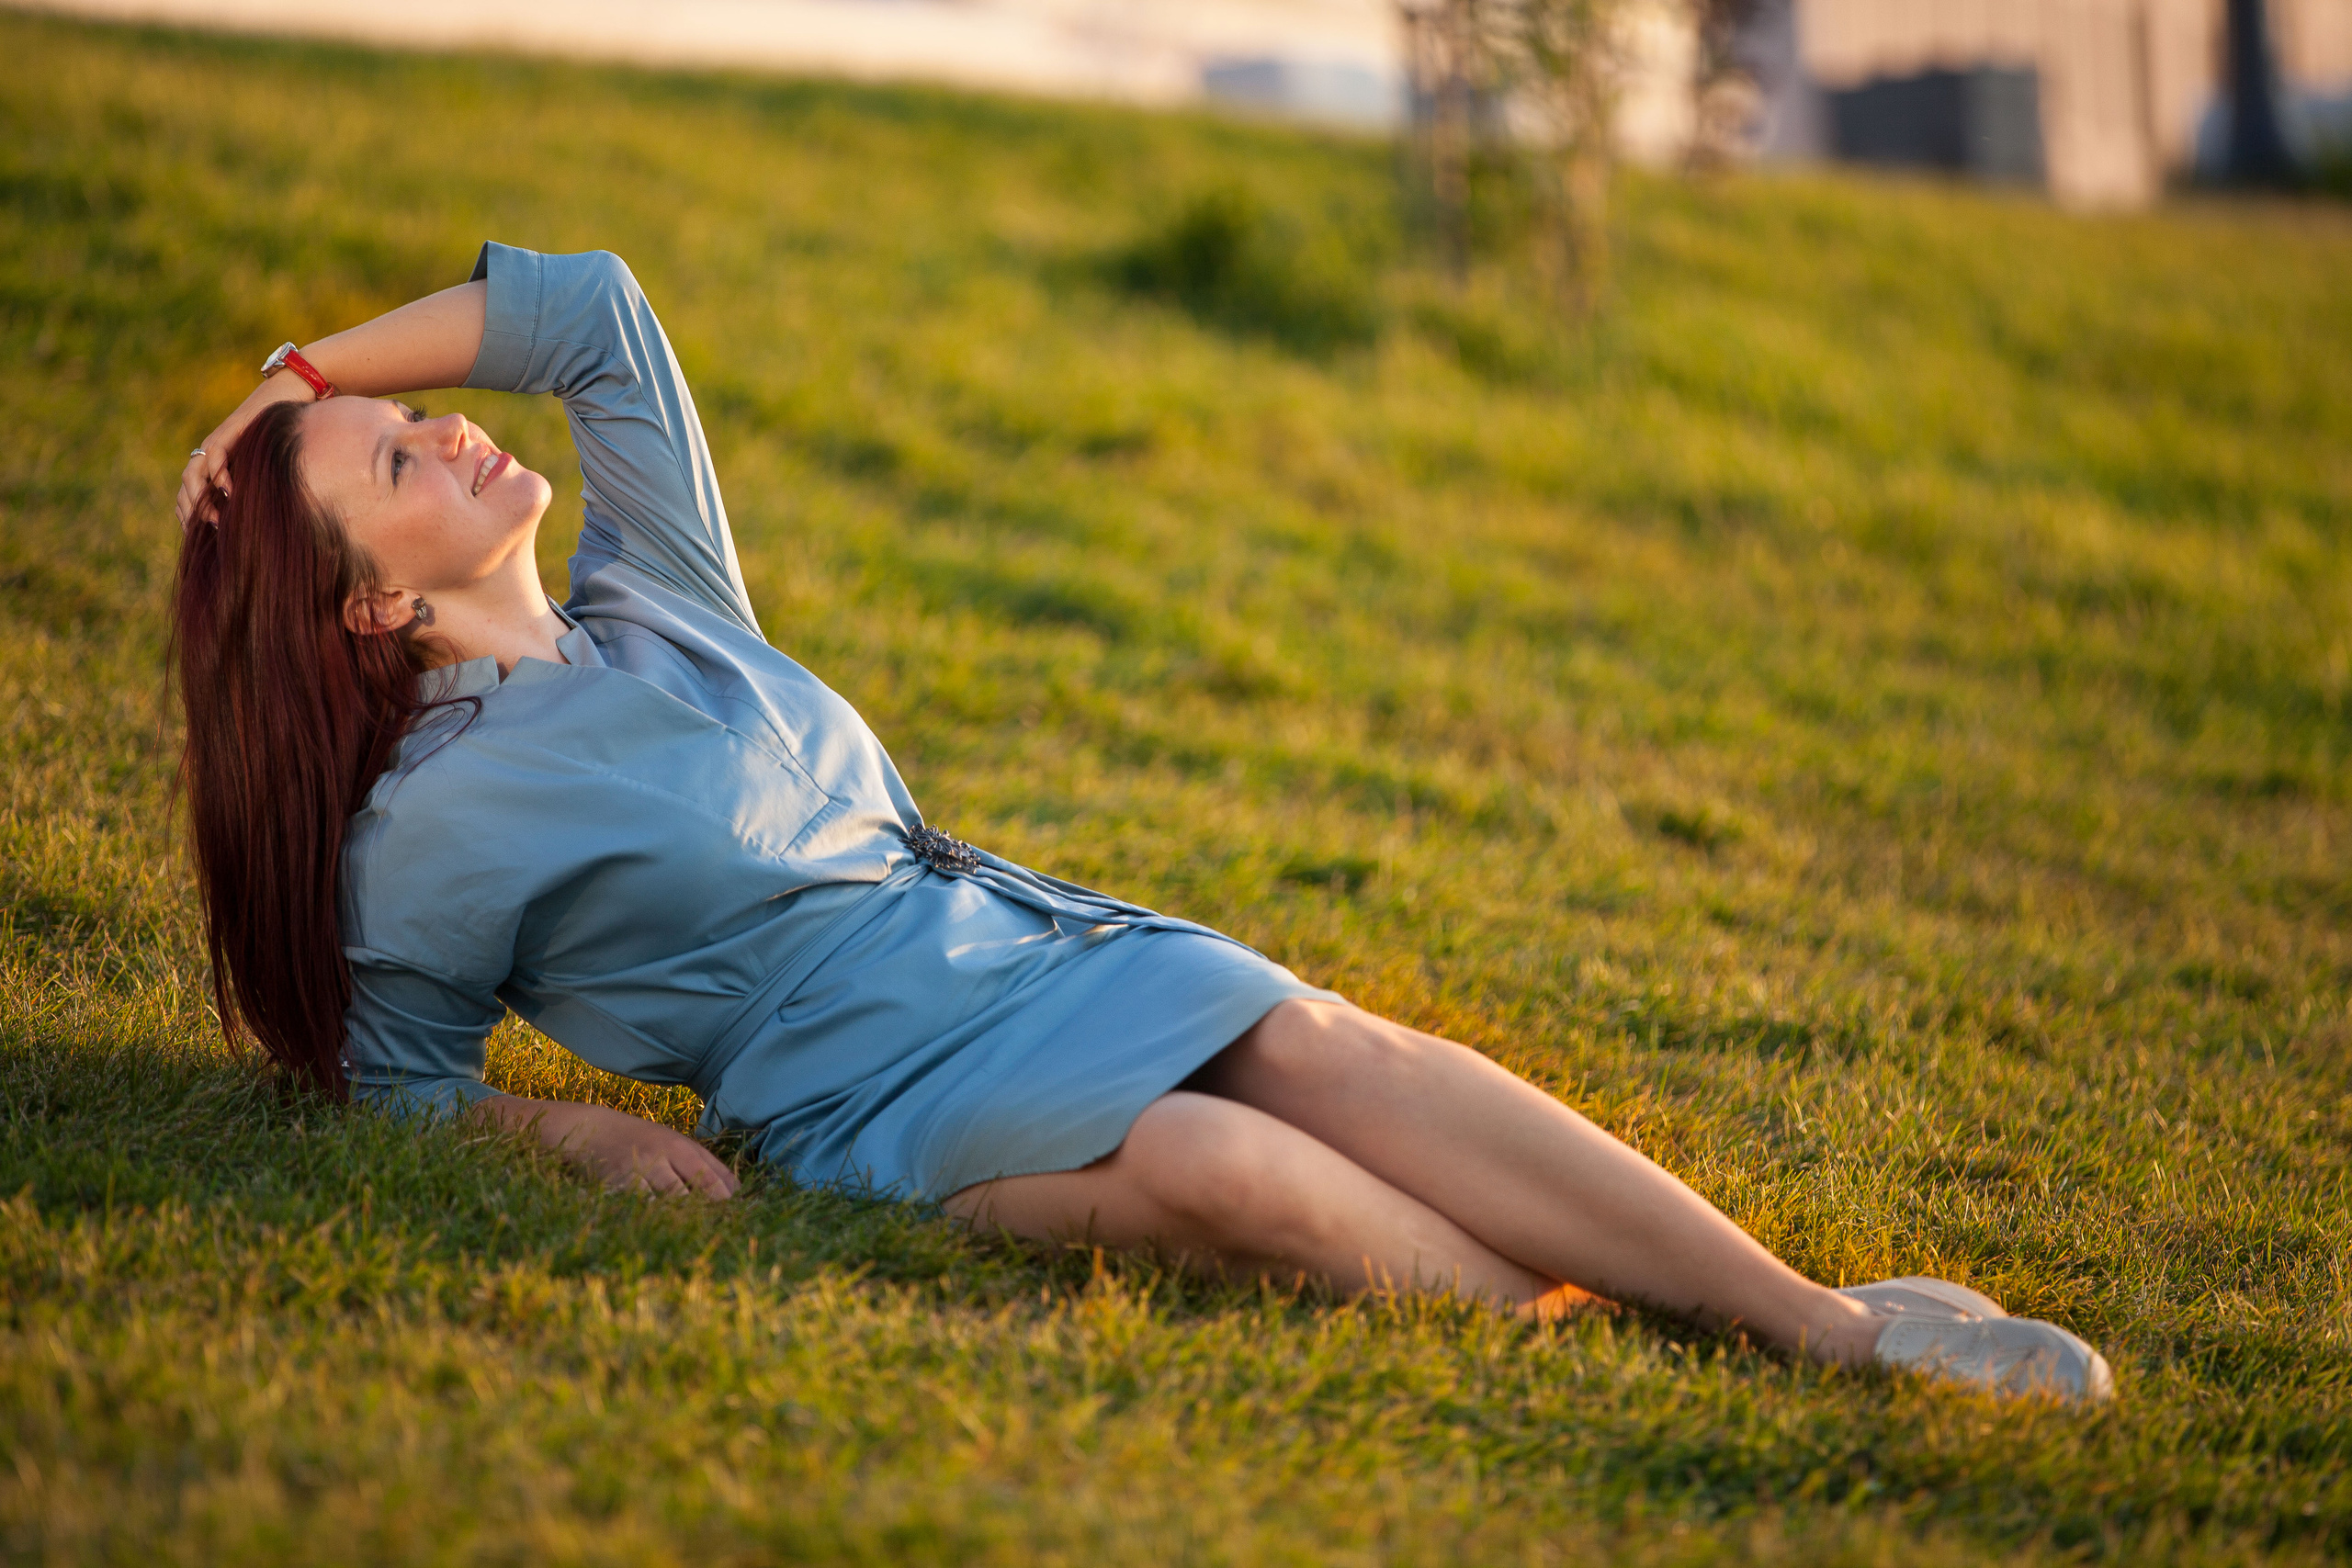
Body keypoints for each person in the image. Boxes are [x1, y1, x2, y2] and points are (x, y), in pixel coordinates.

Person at [172, 243, 2112, 1404]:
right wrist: (582, 1129)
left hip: (1026, 941)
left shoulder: (655, 594)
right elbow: (388, 1081)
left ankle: (1824, 1329)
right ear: (371, 611)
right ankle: (1610, 1330)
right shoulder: (422, 826)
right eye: (398, 462)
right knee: (1219, 1164)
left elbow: (588, 312)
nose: (453, 429)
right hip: (856, 1094)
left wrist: (298, 374)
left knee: (1321, 1045)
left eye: (413, 413)